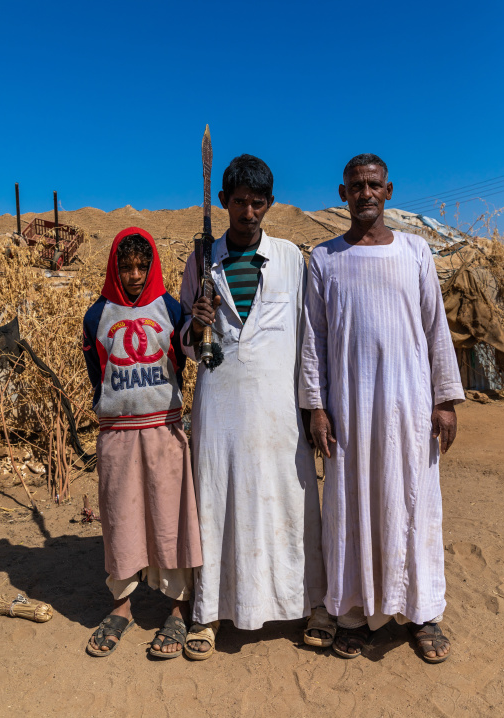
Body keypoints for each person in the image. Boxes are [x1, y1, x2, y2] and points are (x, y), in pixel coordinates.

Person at [299, 154, 465, 663]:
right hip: (348, 413)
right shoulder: (324, 260)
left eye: (374, 184)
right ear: (343, 193)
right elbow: (313, 341)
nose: (366, 193)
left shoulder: (416, 252)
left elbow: (437, 329)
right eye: (357, 186)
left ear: (388, 190)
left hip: (408, 411)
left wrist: (445, 399)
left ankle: (422, 614)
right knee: (349, 508)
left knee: (413, 505)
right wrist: (317, 409)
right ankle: (353, 614)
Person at [179, 155, 329, 660]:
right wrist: (195, 323)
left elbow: (310, 340)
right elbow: (185, 343)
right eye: (239, 201)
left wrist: (313, 406)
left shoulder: (290, 258)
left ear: (269, 203)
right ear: (222, 202)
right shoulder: (200, 260)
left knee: (291, 502)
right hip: (219, 409)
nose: (248, 211)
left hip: (279, 411)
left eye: (257, 202)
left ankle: (313, 604)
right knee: (217, 505)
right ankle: (210, 612)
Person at [82, 227, 202, 659]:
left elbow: (184, 360)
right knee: (120, 517)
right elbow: (97, 373)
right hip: (117, 434)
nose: (134, 275)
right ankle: (122, 605)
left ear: (151, 267)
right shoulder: (97, 316)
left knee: (170, 519)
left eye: (141, 266)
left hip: (163, 429)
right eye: (126, 267)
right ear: (115, 267)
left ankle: (176, 607)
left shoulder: (170, 309)